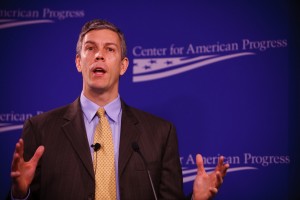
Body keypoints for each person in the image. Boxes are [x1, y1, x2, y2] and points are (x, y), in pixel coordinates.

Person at [9, 19, 229, 200]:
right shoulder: (41, 129)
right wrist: (20, 194)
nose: (99, 55)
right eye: (90, 48)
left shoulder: (161, 133)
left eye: (109, 49)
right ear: (78, 62)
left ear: (123, 65)